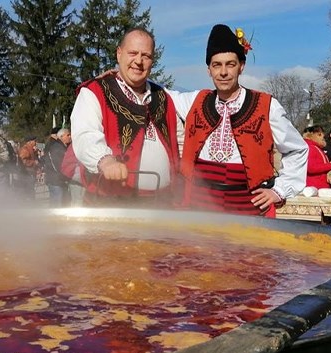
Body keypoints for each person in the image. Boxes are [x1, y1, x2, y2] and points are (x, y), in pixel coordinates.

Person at [180, 24, 308, 217]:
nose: (223, 72)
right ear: (209, 70)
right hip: (201, 207)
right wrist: (119, 77)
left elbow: (297, 149)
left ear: (241, 66)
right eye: (217, 65)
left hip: (249, 209)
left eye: (230, 64)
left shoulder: (267, 106)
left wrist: (279, 190)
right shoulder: (193, 101)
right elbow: (156, 91)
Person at [70, 27, 191, 207]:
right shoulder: (95, 91)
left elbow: (180, 142)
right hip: (110, 204)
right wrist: (105, 161)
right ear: (119, 54)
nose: (139, 61)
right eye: (133, 53)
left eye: (146, 56)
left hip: (162, 204)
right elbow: (85, 134)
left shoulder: (164, 96)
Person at [43, 128, 72, 207]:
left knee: (61, 203)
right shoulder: (57, 147)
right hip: (56, 180)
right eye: (68, 135)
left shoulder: (62, 146)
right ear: (61, 136)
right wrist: (65, 176)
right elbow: (58, 165)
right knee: (57, 205)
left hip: (58, 179)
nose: (70, 136)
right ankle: (54, 219)